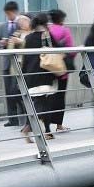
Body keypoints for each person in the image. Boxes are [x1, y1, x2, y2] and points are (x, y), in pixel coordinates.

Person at [19, 13, 57, 141]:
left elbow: (24, 58)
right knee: (44, 103)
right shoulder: (48, 37)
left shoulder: (28, 38)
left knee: (39, 101)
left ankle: (45, 131)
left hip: (30, 74)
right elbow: (58, 52)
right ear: (46, 23)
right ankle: (30, 128)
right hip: (45, 73)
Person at [0, 1, 25, 127]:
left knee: (17, 91)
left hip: (19, 63)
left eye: (9, 13)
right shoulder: (3, 26)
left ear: (14, 12)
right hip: (6, 63)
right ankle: (12, 118)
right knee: (8, 91)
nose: (8, 16)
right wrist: (2, 43)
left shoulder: (22, 24)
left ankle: (25, 115)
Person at [47, 9, 74, 132]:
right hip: (62, 68)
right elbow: (71, 50)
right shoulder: (65, 30)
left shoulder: (47, 30)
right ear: (61, 19)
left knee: (48, 95)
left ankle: (46, 124)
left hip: (48, 68)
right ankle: (59, 125)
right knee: (60, 95)